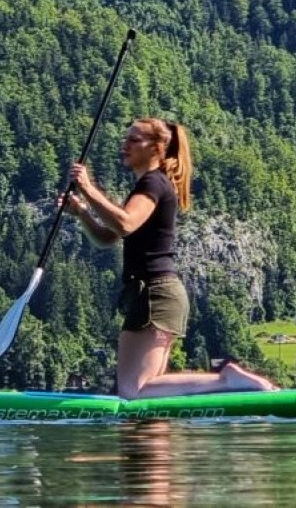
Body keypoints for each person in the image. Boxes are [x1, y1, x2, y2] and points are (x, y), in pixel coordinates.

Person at [61, 117, 277, 399]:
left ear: (157, 147)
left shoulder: (153, 183)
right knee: (147, 388)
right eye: (126, 138)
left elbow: (125, 223)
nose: (124, 145)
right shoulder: (151, 184)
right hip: (158, 294)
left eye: (134, 140)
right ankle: (221, 385)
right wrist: (81, 213)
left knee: (134, 391)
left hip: (153, 294)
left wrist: (87, 188)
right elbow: (110, 237)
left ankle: (226, 380)